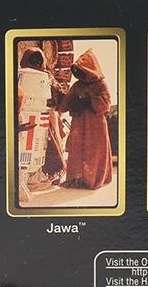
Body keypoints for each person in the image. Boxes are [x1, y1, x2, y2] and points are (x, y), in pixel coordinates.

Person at [56, 48, 113, 190]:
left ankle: (93, 179)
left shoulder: (101, 85)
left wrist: (88, 101)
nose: (79, 74)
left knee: (95, 151)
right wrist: (60, 101)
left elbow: (106, 105)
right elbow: (66, 103)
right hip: (79, 123)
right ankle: (78, 179)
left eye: (82, 71)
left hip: (95, 124)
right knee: (77, 149)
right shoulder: (77, 86)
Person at [16, 47, 61, 201]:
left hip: (39, 117)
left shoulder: (44, 77)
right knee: (27, 152)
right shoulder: (32, 76)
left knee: (37, 150)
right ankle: (28, 181)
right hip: (28, 116)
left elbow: (55, 98)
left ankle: (32, 179)